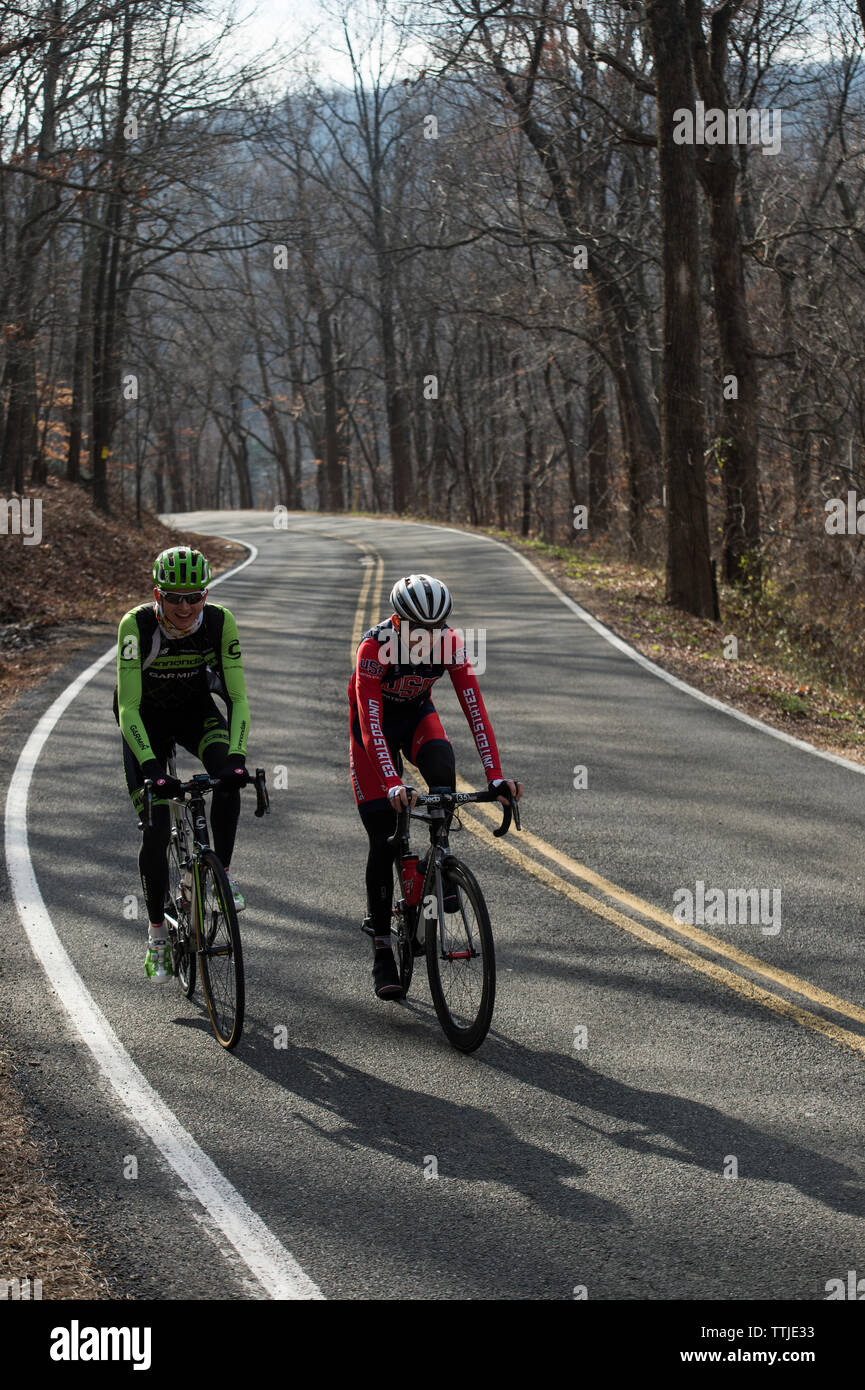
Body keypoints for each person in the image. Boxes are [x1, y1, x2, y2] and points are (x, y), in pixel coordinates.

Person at [348, 573, 522, 1000]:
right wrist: (392, 782)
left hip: (416, 717)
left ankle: (434, 867)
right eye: (417, 631)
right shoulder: (374, 647)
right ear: (398, 621)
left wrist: (495, 774)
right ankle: (383, 947)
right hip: (374, 731)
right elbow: (371, 725)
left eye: (436, 629)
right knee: (383, 836)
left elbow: (474, 708)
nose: (428, 638)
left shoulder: (450, 643)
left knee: (443, 776)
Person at [114, 546, 251, 983]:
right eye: (174, 597)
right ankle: (157, 933)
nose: (186, 607)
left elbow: (238, 699)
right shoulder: (135, 626)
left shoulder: (218, 621)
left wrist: (237, 756)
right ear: (157, 594)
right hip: (145, 720)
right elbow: (128, 709)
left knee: (228, 782)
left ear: (205, 594)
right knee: (156, 827)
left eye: (194, 596)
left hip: (195, 712)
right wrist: (153, 767)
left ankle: (219, 877)